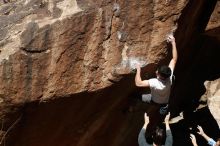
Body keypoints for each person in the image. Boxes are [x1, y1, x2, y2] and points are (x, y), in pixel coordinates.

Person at [135, 34, 178, 140]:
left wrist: (138, 70)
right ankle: (161, 119)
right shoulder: (170, 77)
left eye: (157, 72)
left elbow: (138, 83)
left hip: (153, 100)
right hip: (164, 102)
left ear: (159, 75)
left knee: (139, 97)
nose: (155, 72)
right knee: (162, 112)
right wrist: (173, 42)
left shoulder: (154, 82)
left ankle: (133, 102)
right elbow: (174, 59)